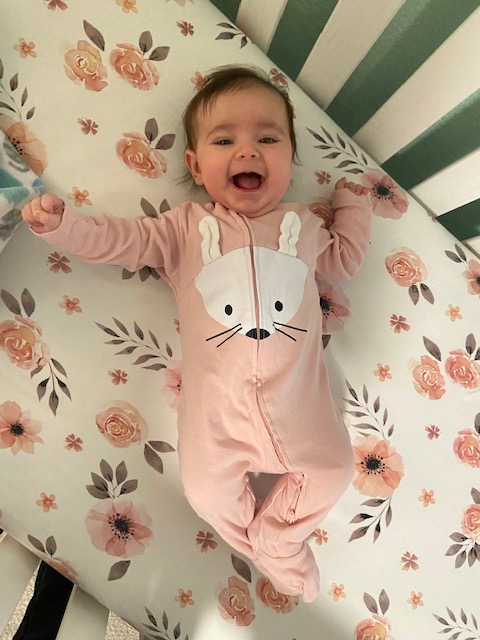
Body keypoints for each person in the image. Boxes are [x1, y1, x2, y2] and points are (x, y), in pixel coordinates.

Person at [22, 65, 372, 602]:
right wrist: (64, 227)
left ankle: (278, 539)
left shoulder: (303, 225)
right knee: (205, 491)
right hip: (216, 417)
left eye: (268, 139)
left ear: (291, 156)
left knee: (335, 469)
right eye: (224, 140)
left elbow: (344, 259)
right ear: (194, 164)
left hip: (301, 406)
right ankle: (268, 548)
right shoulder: (183, 229)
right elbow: (121, 241)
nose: (248, 150)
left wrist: (353, 205)